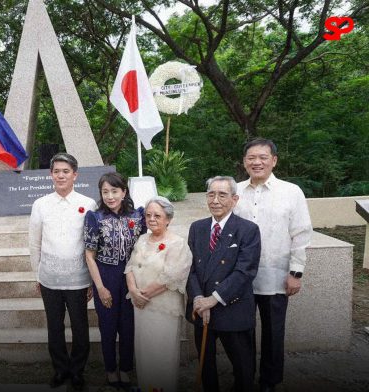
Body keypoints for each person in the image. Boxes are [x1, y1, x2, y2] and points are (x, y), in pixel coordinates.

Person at [234, 138, 312, 392]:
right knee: (242, 333)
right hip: (240, 278)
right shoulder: (234, 191)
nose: (257, 162)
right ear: (244, 161)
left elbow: (301, 234)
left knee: (273, 333)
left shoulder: (291, 192)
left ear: (274, 160)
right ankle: (243, 378)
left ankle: (269, 381)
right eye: (251, 158)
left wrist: (296, 272)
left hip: (276, 276)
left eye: (263, 157)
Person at [29, 152, 97, 390]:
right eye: (56, 171)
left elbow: (92, 245)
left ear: (75, 175)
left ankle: (77, 371)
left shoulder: (88, 204)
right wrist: (36, 275)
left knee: (80, 327)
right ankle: (60, 369)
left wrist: (91, 280)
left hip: (78, 279)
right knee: (54, 326)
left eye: (65, 171)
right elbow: (34, 242)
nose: (61, 175)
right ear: (51, 175)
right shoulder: (40, 205)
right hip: (49, 278)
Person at [186, 176, 261, 392]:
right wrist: (199, 298)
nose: (215, 200)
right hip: (202, 309)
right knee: (205, 365)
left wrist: (213, 299)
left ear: (235, 199)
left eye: (222, 195)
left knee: (243, 367)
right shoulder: (197, 228)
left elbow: (245, 271)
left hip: (232, 308)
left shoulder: (247, 230)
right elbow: (189, 268)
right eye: (211, 194)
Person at [83, 172, 145, 388]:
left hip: (131, 276)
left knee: (128, 325)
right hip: (105, 274)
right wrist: (99, 287)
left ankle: (126, 368)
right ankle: (110, 369)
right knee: (108, 325)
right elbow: (89, 255)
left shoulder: (138, 216)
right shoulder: (95, 217)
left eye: (114, 191)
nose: (110, 196)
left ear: (124, 192)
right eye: (105, 192)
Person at [125, 196, 192, 392]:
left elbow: (171, 277)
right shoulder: (142, 238)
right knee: (145, 351)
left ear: (168, 219)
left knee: (161, 352)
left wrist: (141, 294)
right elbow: (129, 265)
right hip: (141, 307)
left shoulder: (177, 243)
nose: (151, 219)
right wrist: (132, 290)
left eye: (157, 215)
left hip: (162, 308)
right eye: (148, 215)